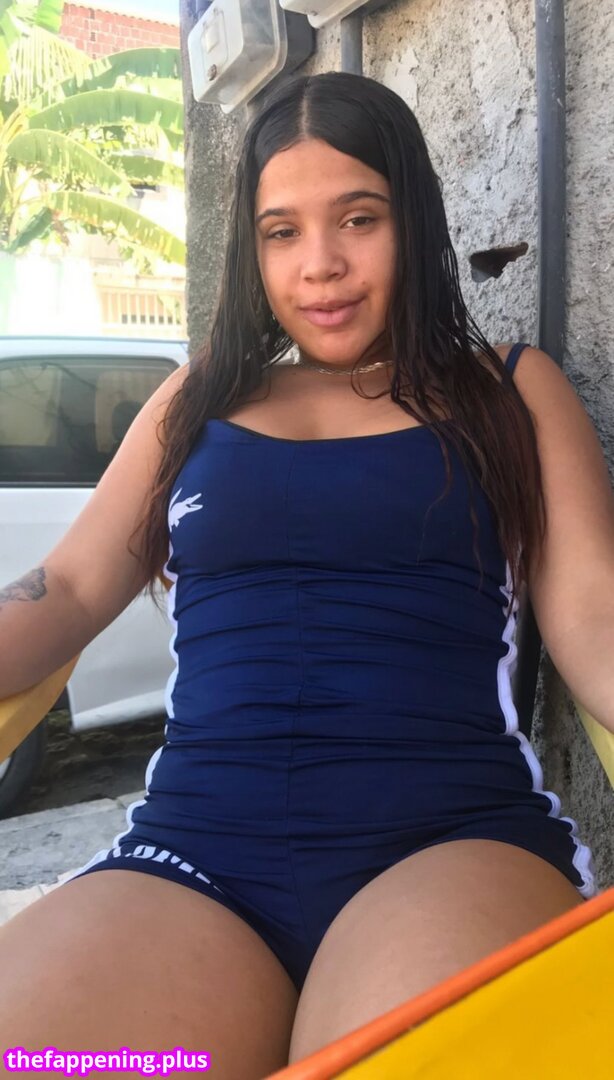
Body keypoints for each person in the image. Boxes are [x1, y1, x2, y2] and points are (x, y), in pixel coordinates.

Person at [0, 71, 612, 1079]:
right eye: (280, 232)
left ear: (413, 220)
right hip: (193, 856)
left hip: (448, 841)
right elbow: (64, 590)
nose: (319, 265)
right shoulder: (198, 400)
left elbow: (591, 619)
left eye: (358, 219)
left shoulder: (509, 389)